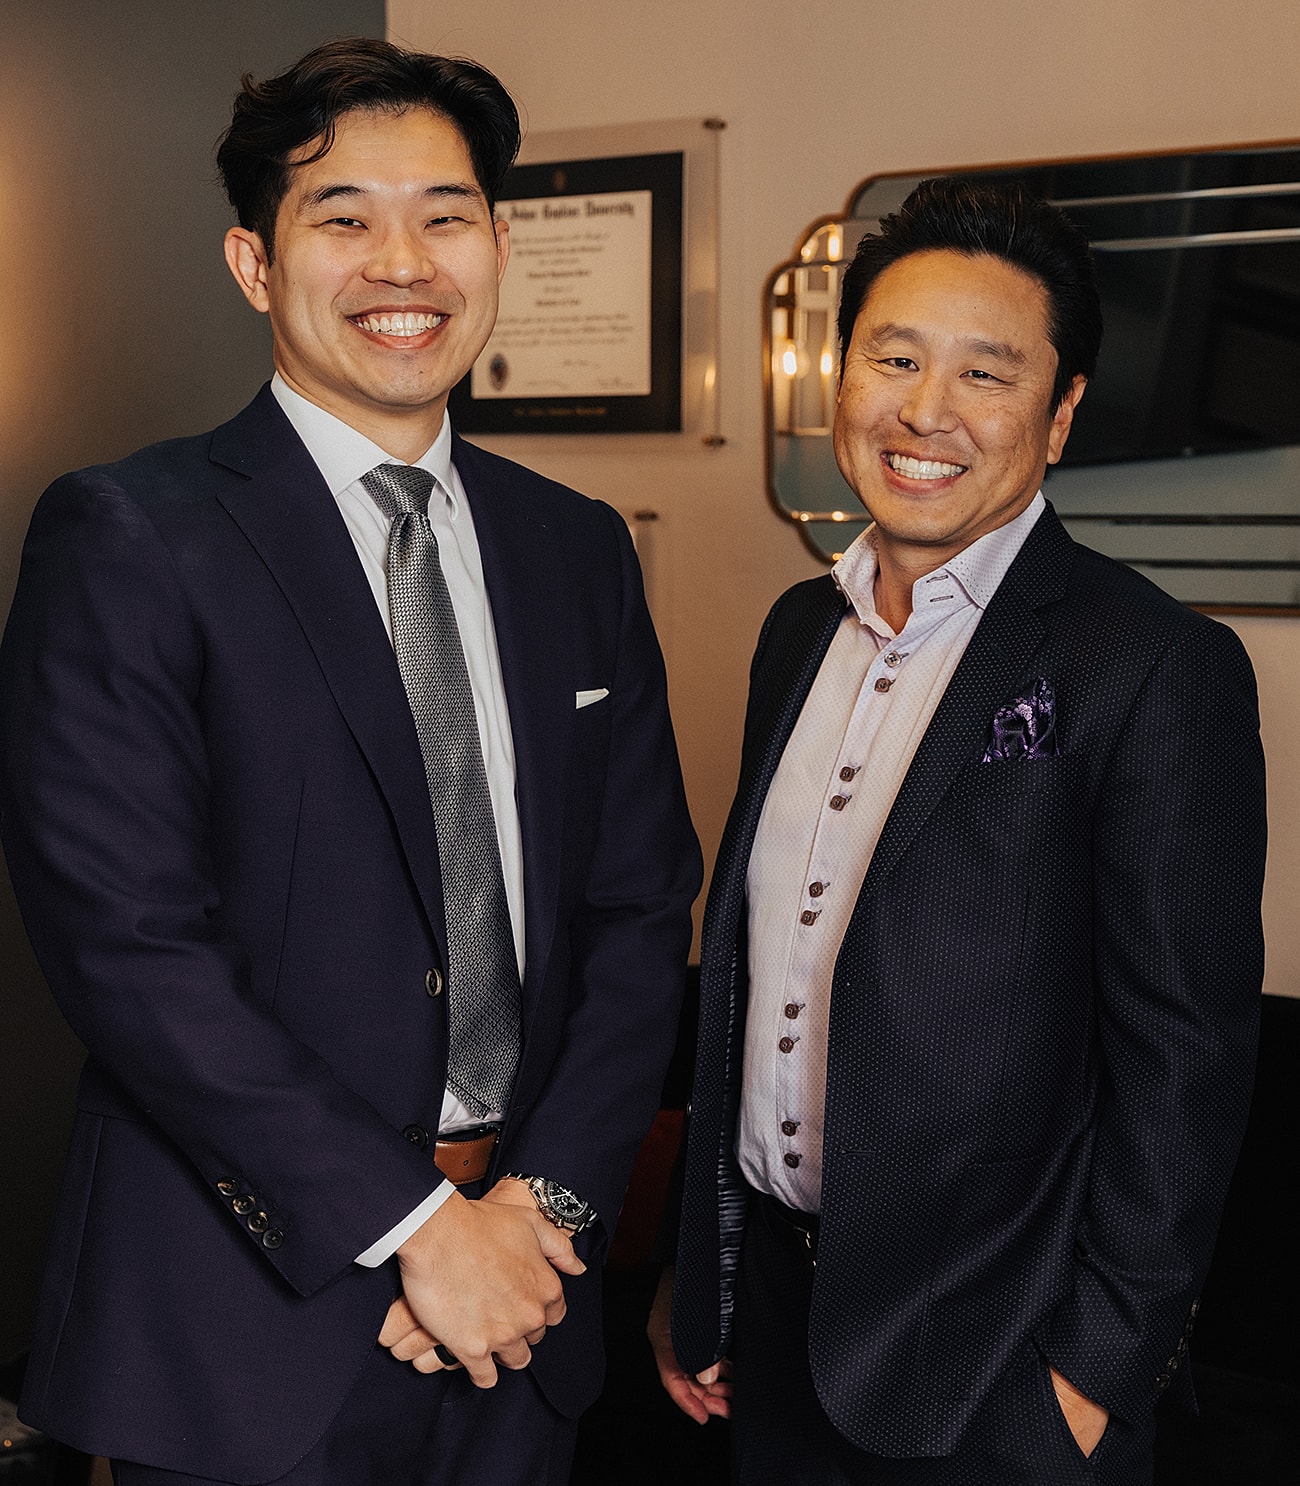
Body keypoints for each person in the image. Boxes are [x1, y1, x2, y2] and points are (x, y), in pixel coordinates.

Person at [0, 37, 700, 1486]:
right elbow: (132, 949)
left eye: (445, 215)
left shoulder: (576, 548)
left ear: (499, 243)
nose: (405, 262)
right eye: (343, 218)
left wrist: (538, 1213)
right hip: (239, 1326)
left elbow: (639, 911)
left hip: (528, 1303)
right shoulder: (130, 537)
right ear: (256, 264)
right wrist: (420, 1230)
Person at [651, 178, 1266, 1484]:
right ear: (838, 376)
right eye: (894, 357)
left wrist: (1094, 1373)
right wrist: (700, 1283)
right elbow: (760, 980)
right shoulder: (795, 632)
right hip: (769, 1323)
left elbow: (1185, 1063)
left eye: (986, 372)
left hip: (1001, 1365)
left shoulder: (1153, 664)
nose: (926, 412)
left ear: (1062, 412)